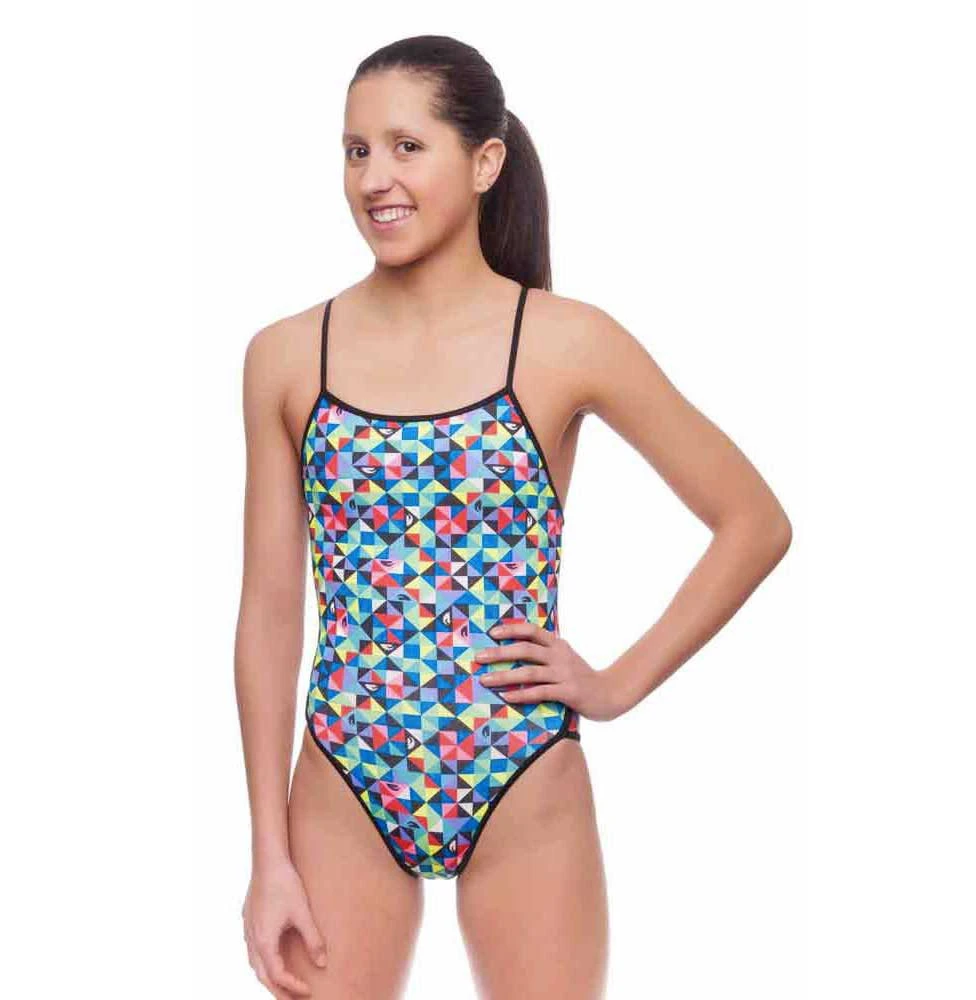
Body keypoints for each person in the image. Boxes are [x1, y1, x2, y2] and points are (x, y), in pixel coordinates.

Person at [235, 34, 792, 1000]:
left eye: (408, 146)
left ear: (485, 161)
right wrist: (267, 856)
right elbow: (269, 612)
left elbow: (753, 521)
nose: (374, 178)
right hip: (343, 776)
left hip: (520, 772)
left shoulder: (566, 342)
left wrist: (614, 685)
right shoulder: (286, 356)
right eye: (356, 150)